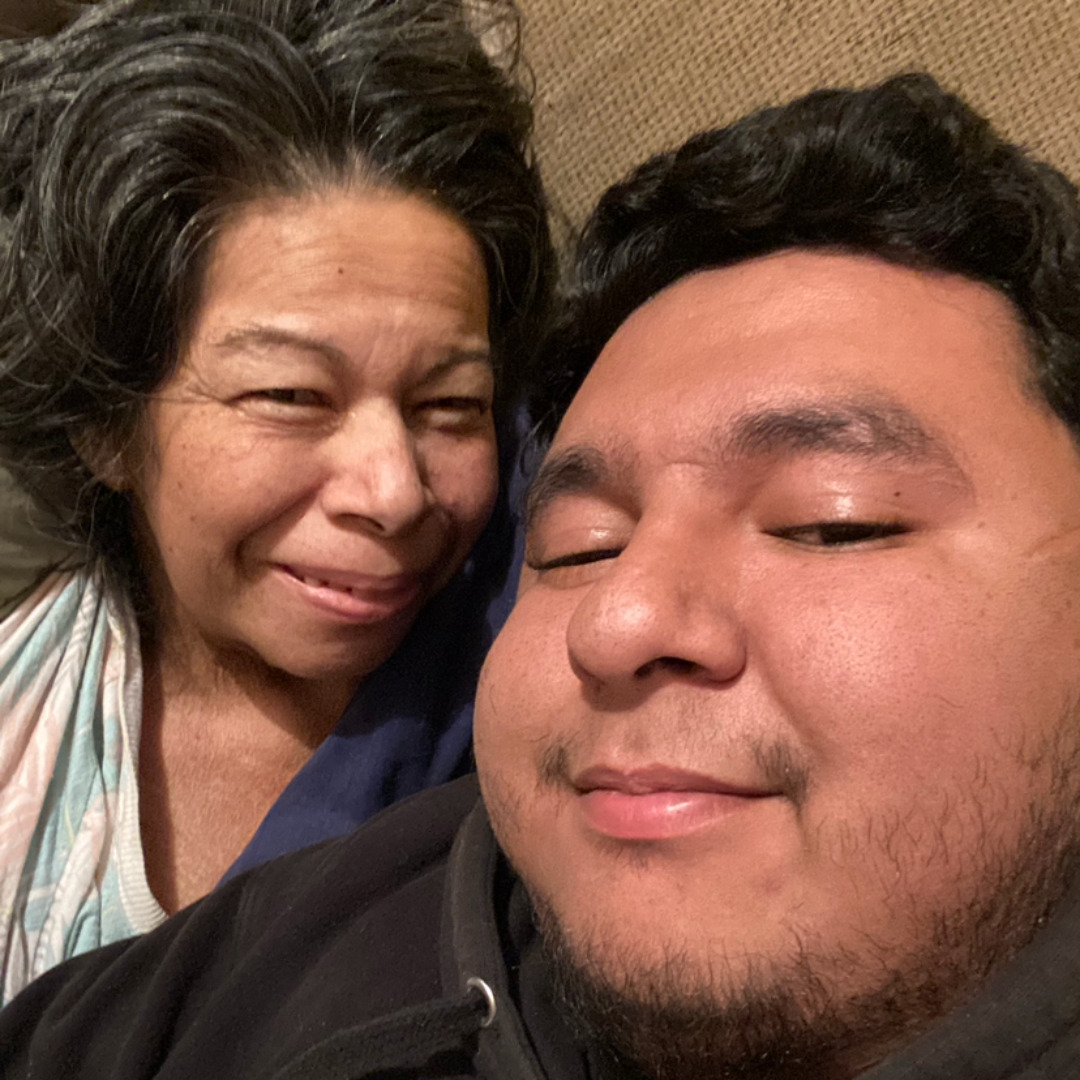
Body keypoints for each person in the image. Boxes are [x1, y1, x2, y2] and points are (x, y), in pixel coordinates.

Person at [3, 72, 1080, 1079]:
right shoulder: (290, 920)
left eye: (831, 523)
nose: (616, 619)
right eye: (580, 546)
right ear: (105, 424)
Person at [0, 0, 552, 1003]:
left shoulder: (544, 663)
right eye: (291, 395)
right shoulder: (26, 720)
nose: (395, 492)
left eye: (452, 404)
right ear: (106, 424)